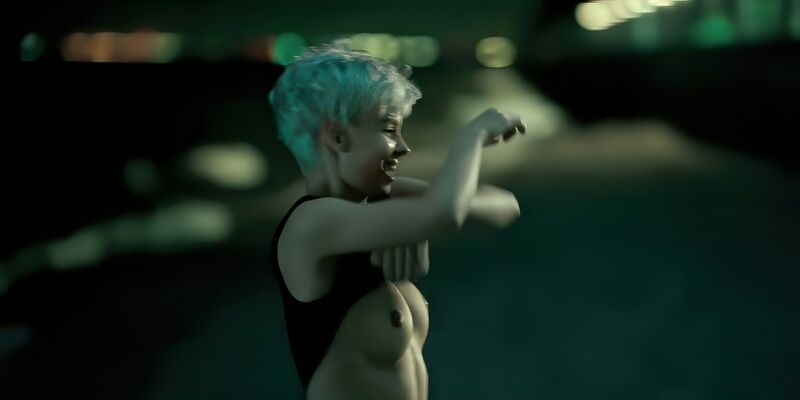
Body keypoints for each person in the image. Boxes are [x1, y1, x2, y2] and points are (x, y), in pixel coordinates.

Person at [268, 39, 526, 400]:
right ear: (338, 136)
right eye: (390, 130)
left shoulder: (379, 202)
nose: (404, 147)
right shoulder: (311, 223)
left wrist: (406, 221)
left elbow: (503, 207)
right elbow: (445, 213)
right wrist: (472, 136)